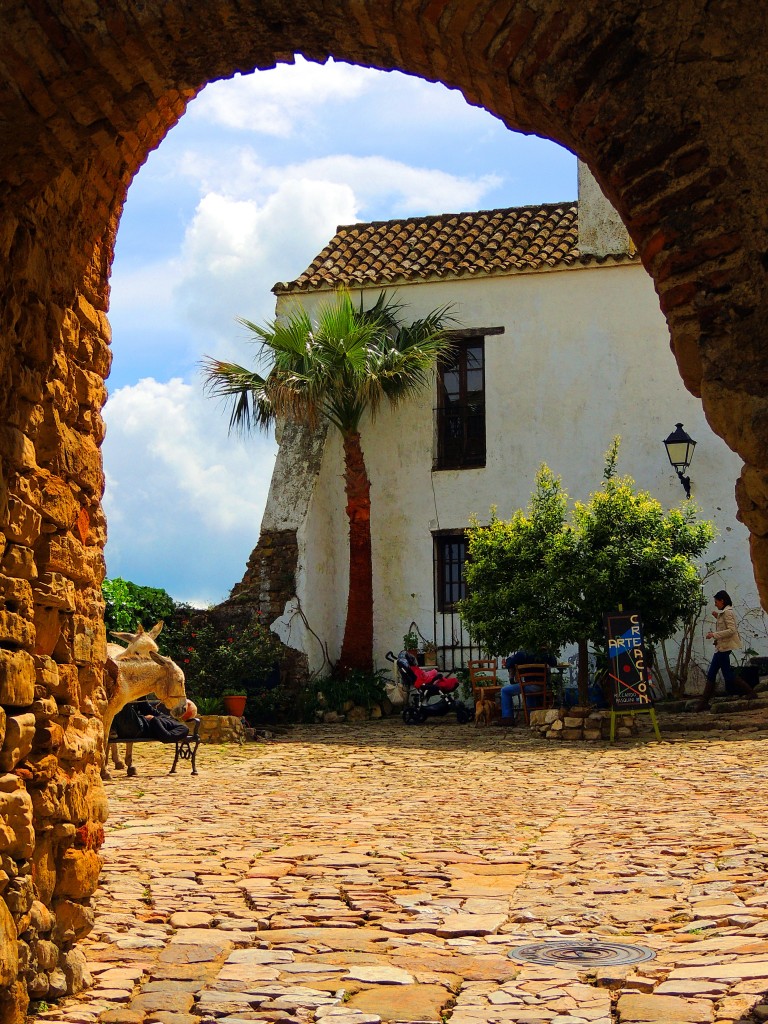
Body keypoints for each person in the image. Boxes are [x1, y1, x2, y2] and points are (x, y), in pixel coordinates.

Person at [695, 590, 756, 711]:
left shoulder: (728, 612)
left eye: (716, 601)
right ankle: (703, 703)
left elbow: (731, 630)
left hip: (724, 648)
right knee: (715, 674)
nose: (715, 604)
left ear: (722, 600)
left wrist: (714, 635)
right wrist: (717, 617)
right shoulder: (725, 612)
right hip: (721, 647)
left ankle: (750, 692)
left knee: (724, 675)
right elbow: (725, 625)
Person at [499, 650, 557, 725]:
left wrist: (509, 660)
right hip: (542, 686)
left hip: (529, 686)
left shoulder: (522, 654)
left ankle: (507, 718)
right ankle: (531, 718)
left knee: (505, 691)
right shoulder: (545, 653)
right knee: (529, 692)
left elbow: (509, 663)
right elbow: (554, 662)